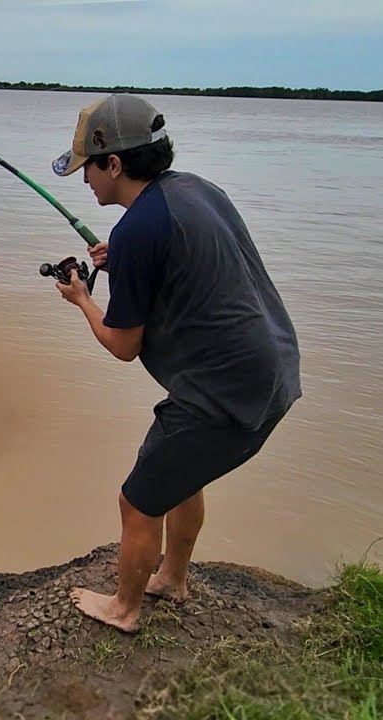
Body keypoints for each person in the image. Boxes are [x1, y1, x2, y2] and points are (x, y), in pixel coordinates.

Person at [49, 94, 301, 632]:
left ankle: (124, 608)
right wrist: (126, 261)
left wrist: (82, 300)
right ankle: (173, 579)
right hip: (274, 371)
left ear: (113, 164)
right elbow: (194, 258)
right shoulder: (195, 189)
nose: (84, 180)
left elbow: (123, 345)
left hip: (223, 393)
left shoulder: (138, 229)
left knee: (138, 501)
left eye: (87, 168)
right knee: (184, 476)